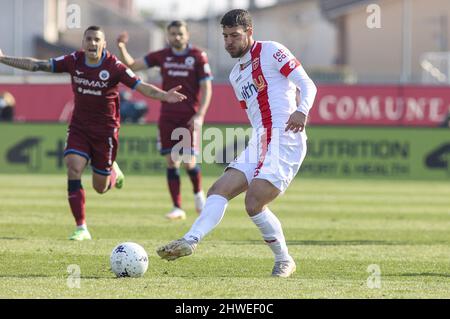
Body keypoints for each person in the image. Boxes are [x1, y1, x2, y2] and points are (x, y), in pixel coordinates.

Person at [156, 9, 317, 278]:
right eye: (225, 36)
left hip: (285, 137)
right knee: (218, 189)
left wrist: (302, 110)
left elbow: (307, 83)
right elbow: (254, 112)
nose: (229, 41)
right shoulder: (234, 75)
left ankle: (284, 259)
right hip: (260, 139)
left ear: (249, 33)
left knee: (253, 203)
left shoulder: (272, 51)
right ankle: (189, 240)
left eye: (235, 35)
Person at [0, 26, 186, 241]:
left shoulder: (114, 66)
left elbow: (141, 86)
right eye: (89, 39)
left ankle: (112, 173)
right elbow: (37, 65)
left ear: (103, 44)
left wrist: (164, 96)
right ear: (83, 42)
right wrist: (4, 59)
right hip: (79, 126)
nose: (92, 43)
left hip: (105, 131)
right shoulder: (73, 60)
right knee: (73, 166)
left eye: (97, 39)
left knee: (100, 187)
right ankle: (81, 227)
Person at [117, 20, 213, 221]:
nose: (176, 37)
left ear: (187, 35)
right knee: (171, 161)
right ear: (168, 36)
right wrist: (121, 47)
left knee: (188, 161)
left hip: (189, 117)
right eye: (173, 34)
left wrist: (200, 114)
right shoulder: (162, 55)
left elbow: (206, 88)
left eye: (180, 33)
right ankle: (177, 207)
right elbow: (133, 65)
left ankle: (198, 195)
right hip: (168, 116)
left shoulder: (197, 56)